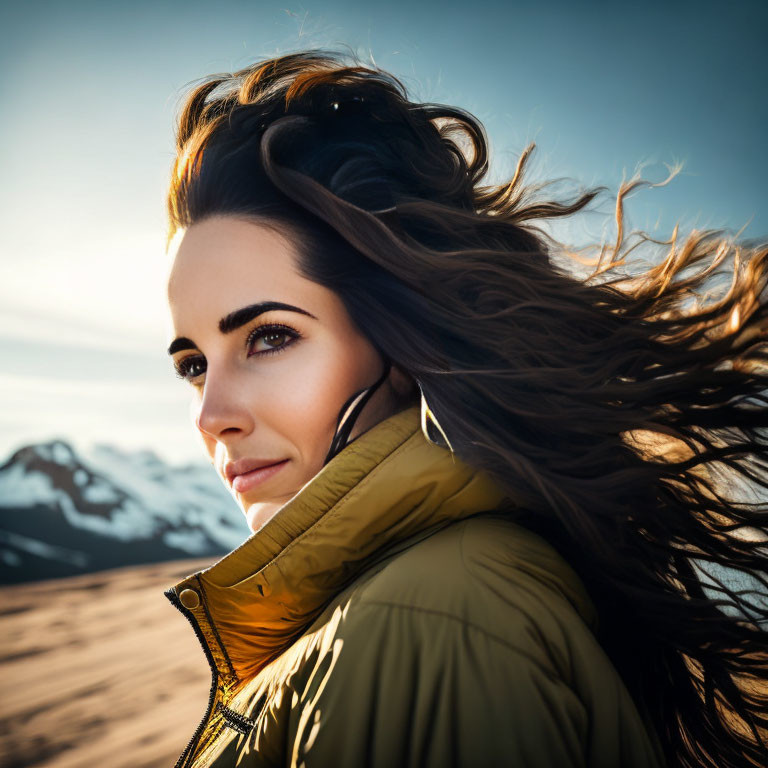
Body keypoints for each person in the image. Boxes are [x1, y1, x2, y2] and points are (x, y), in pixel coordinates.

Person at [161, 50, 768, 768]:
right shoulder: (407, 600)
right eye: (194, 366)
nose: (211, 416)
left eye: (269, 338)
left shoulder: (428, 619)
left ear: (397, 339)